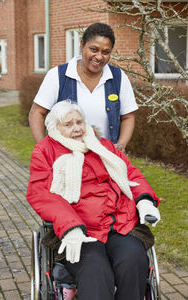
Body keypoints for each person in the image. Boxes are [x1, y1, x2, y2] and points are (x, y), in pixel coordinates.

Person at [26, 100, 160, 300]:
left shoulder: (103, 146)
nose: (77, 128)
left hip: (119, 225)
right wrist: (70, 227)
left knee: (134, 259)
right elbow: (41, 193)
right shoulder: (45, 151)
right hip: (80, 232)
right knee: (96, 269)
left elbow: (133, 175)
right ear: (55, 128)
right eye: (68, 124)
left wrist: (145, 200)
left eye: (79, 122)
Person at [29, 22, 138, 151]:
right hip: (66, 158)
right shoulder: (58, 76)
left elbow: (128, 117)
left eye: (105, 52)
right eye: (94, 49)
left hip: (105, 160)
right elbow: (36, 113)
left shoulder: (118, 77)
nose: (99, 56)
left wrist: (120, 147)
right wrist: (45, 150)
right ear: (82, 45)